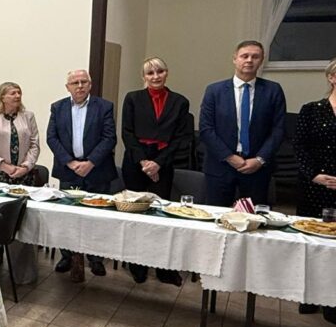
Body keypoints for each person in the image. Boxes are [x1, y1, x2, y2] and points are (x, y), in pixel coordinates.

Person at [120, 58, 192, 285]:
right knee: (136, 215)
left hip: (164, 161)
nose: (155, 76)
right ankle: (137, 264)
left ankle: (162, 267)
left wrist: (158, 163)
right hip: (136, 161)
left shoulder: (180, 102)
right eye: (150, 73)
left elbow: (181, 138)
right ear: (144, 77)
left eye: (159, 71)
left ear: (167, 73)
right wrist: (144, 162)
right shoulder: (132, 98)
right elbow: (127, 133)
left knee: (159, 215)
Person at [47, 69, 117, 278]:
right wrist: (70, 162)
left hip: (97, 171)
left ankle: (96, 258)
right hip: (69, 171)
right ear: (67, 87)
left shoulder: (104, 107)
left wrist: (90, 162)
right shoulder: (58, 107)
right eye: (75, 83)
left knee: (97, 217)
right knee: (68, 217)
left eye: (84, 82)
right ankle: (67, 256)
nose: (80, 86)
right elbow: (52, 138)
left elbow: (109, 138)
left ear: (90, 85)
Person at [199, 40, 287, 206]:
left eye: (255, 57)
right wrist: (229, 157)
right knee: (215, 215)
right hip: (220, 166)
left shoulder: (273, 90)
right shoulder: (214, 91)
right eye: (244, 56)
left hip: (257, 168)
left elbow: (278, 129)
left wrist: (260, 159)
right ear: (235, 59)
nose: (249, 60)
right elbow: (206, 129)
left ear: (261, 61)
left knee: (253, 217)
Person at [294, 58, 336, 323]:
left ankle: (332, 301)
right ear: (331, 78)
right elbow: (299, 146)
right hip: (314, 184)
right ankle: (308, 295)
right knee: (311, 241)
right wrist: (314, 175)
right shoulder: (311, 110)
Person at [0, 81, 41, 185]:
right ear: (2, 98)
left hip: (24, 173)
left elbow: (34, 145)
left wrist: (25, 166)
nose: (17, 96)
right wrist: (4, 166)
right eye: (13, 93)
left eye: (19, 93)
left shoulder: (29, 116)